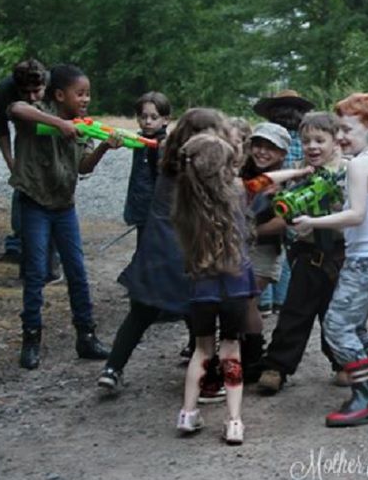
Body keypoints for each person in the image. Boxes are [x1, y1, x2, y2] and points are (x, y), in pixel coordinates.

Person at [97, 108, 227, 393]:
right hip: (185, 255)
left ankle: (112, 368)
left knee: (140, 314)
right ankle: (204, 369)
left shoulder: (167, 162)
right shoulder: (200, 171)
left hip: (154, 252)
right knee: (197, 311)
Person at [292, 94, 368, 427]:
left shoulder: (359, 164)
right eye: (338, 130)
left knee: (337, 327)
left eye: (347, 130)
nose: (340, 137)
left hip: (367, 258)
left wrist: (312, 222)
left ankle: (366, 399)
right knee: (356, 326)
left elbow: (356, 215)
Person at [7, 64, 119, 369]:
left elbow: (84, 167)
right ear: (59, 95)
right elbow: (16, 109)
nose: (85, 99)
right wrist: (58, 124)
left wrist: (105, 148)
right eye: (79, 93)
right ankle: (31, 339)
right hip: (34, 203)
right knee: (36, 273)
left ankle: (86, 335)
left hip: (64, 206)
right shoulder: (38, 111)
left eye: (88, 94)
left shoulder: (85, 125)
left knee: (78, 272)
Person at [172, 133, 258, 445]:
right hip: (235, 286)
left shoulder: (185, 202)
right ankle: (234, 421)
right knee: (231, 349)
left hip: (202, 287)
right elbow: (265, 181)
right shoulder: (236, 192)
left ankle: (188, 412)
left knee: (202, 349)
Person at [257, 112, 348, 396]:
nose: (313, 147)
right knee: (295, 312)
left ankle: (343, 362)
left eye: (320, 140)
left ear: (336, 142)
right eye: (306, 140)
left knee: (338, 314)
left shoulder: (349, 170)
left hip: (341, 253)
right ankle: (277, 366)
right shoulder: (297, 170)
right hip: (307, 252)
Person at [238, 121, 293, 382]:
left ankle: (252, 359)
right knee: (238, 303)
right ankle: (242, 353)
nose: (262, 152)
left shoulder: (286, 184)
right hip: (237, 249)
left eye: (270, 148)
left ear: (282, 153)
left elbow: (284, 221)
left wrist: (247, 232)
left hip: (264, 251)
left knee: (247, 301)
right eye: (258, 145)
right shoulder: (242, 173)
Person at [254, 90, 314, 315]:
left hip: (270, 195)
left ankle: (264, 301)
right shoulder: (303, 139)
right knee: (288, 251)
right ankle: (282, 299)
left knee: (269, 246)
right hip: (299, 198)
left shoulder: (269, 139)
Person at [0, 59, 47, 264]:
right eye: (26, 93)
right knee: (22, 188)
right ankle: (16, 243)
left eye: (37, 91)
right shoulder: (4, 91)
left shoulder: (55, 83)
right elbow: (1, 128)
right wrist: (10, 161)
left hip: (50, 138)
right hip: (24, 142)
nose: (32, 97)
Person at [123, 92, 171, 244]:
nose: (148, 122)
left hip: (159, 212)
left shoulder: (166, 145)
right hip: (141, 209)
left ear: (165, 120)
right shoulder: (139, 142)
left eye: (154, 117)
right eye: (143, 117)